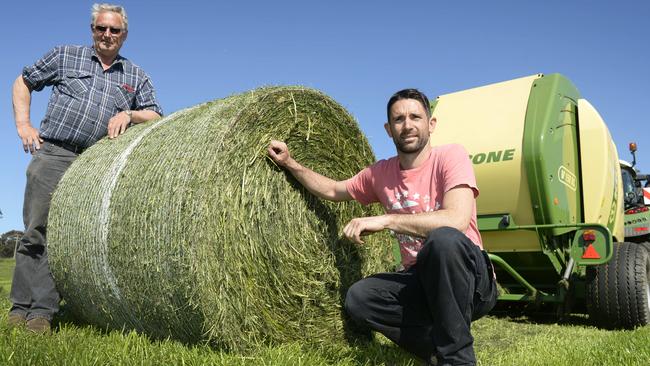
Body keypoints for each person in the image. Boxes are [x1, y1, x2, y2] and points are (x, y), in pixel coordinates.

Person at [267, 89, 497, 365]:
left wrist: (387, 220)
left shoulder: (451, 157)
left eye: (415, 117)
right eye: (399, 119)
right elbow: (332, 190)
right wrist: (290, 163)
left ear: (431, 124)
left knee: (443, 241)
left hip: (472, 281)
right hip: (421, 280)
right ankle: (436, 349)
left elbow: (457, 220)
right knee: (360, 298)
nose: (408, 125)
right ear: (389, 130)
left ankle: (457, 360)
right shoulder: (380, 174)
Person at [8, 3, 162, 334]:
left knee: (65, 241)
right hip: (54, 154)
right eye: (101, 29)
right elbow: (23, 80)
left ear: (124, 35)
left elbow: (156, 116)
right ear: (92, 30)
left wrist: (130, 115)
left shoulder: (136, 76)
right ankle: (19, 308)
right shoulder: (65, 56)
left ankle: (42, 313)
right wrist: (23, 124)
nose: (107, 35)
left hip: (94, 167)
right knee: (36, 231)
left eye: (114, 30)